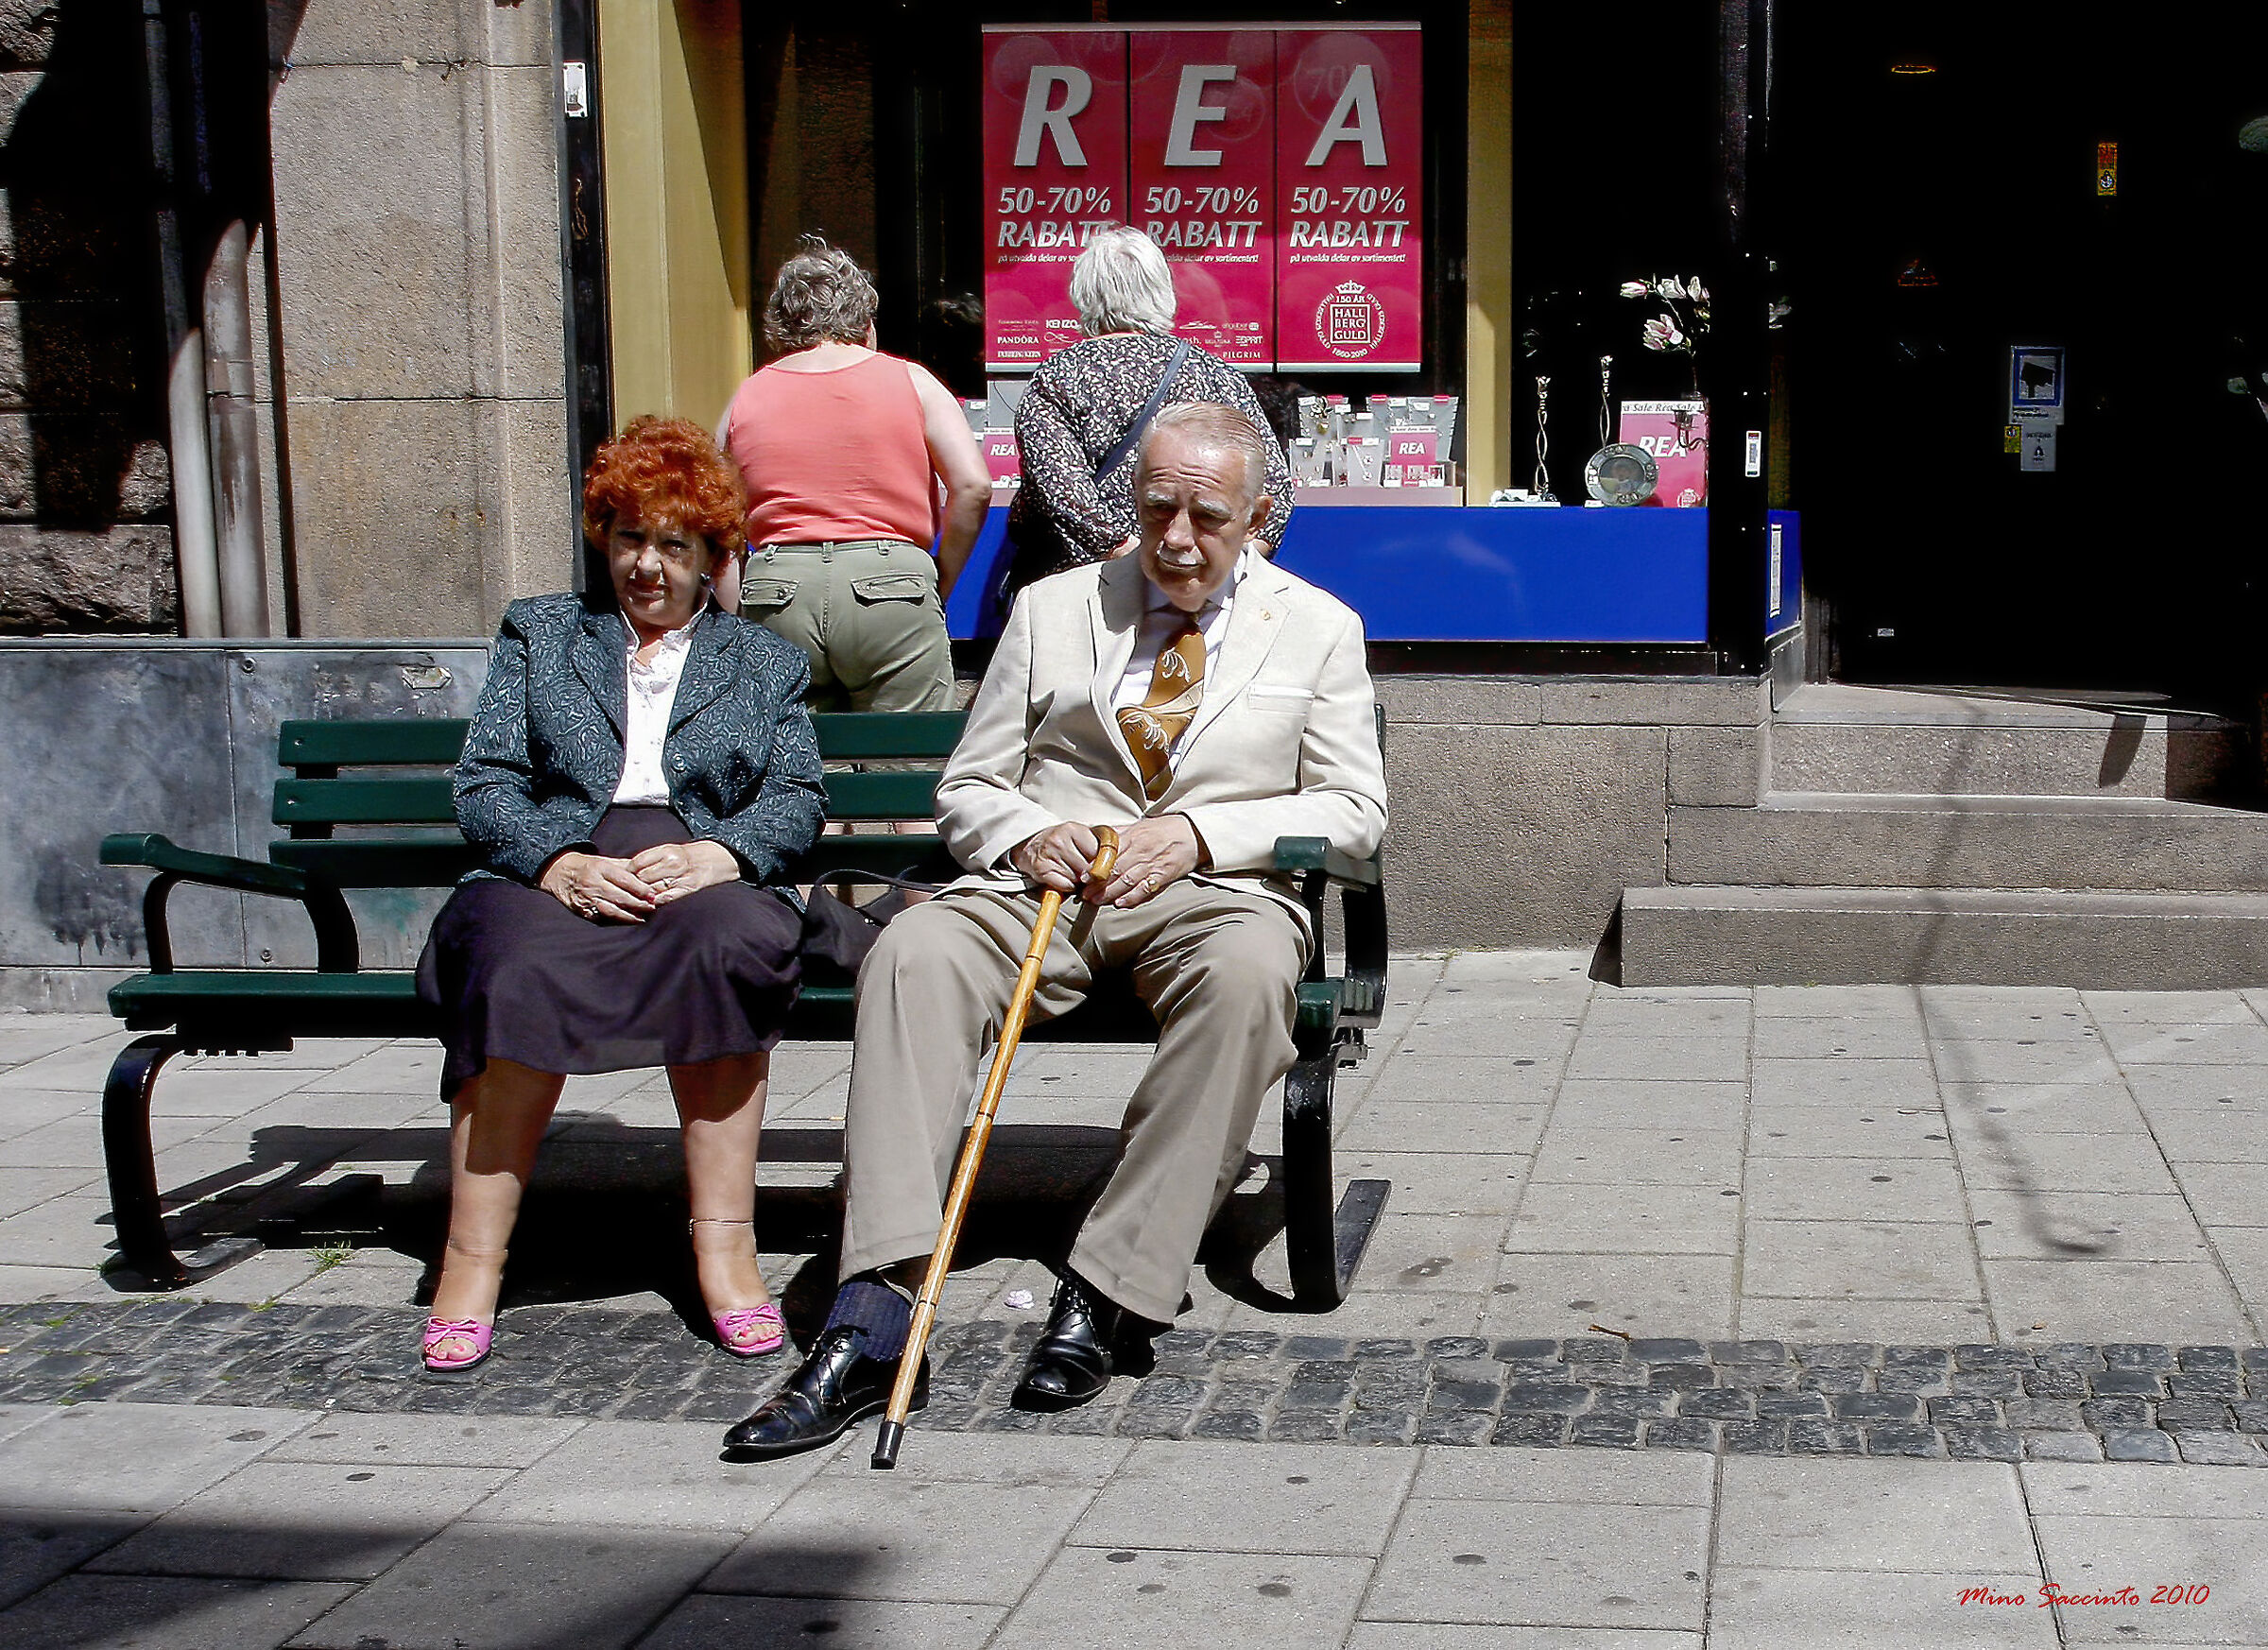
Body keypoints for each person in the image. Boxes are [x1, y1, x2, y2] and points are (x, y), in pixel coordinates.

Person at [723, 403, 1386, 1457]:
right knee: (916, 950)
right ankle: (877, 1310)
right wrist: (1029, 834)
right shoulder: (1052, 608)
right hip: (1045, 892)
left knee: (1255, 973)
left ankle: (1115, 1281)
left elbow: (1355, 812)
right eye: (1156, 506)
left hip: (1211, 896)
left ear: (1260, 517)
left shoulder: (1318, 626)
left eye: (1206, 515)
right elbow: (972, 785)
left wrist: (1204, 834)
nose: (1175, 537)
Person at [414, 416, 828, 1373]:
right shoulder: (544, 631)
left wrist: (725, 854)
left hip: (697, 866)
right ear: (604, 536)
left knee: (728, 947)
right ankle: (471, 1261)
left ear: (712, 557)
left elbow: (799, 796)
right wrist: (557, 863)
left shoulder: (763, 662)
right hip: (554, 862)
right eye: (630, 537)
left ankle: (725, 1250)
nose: (648, 566)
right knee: (514, 962)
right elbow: (485, 783)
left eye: (675, 546)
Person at [720, 238, 990, 713]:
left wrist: (736, 608)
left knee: (796, 765)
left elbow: (714, 516)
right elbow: (973, 486)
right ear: (866, 324)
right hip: (892, 581)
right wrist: (938, 580)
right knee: (906, 762)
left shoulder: (748, 395)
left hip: (778, 586)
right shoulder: (912, 381)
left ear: (780, 328)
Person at [1005, 227, 1294, 598]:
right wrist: (1213, 576)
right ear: (1163, 293)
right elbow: (1275, 490)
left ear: (1082, 296)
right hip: (1197, 596)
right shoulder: (1216, 374)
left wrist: (1138, 570)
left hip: (1092, 593)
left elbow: (1064, 494)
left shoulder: (1057, 377)